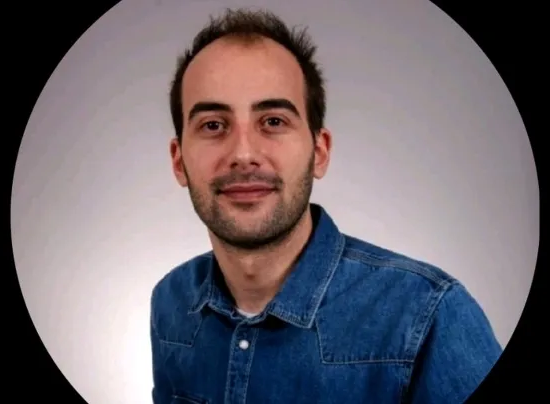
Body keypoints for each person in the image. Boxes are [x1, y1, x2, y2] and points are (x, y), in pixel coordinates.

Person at [150, 7, 503, 404]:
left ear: (319, 152)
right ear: (179, 161)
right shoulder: (170, 302)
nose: (244, 154)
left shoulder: (429, 316)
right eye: (213, 125)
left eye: (273, 121)